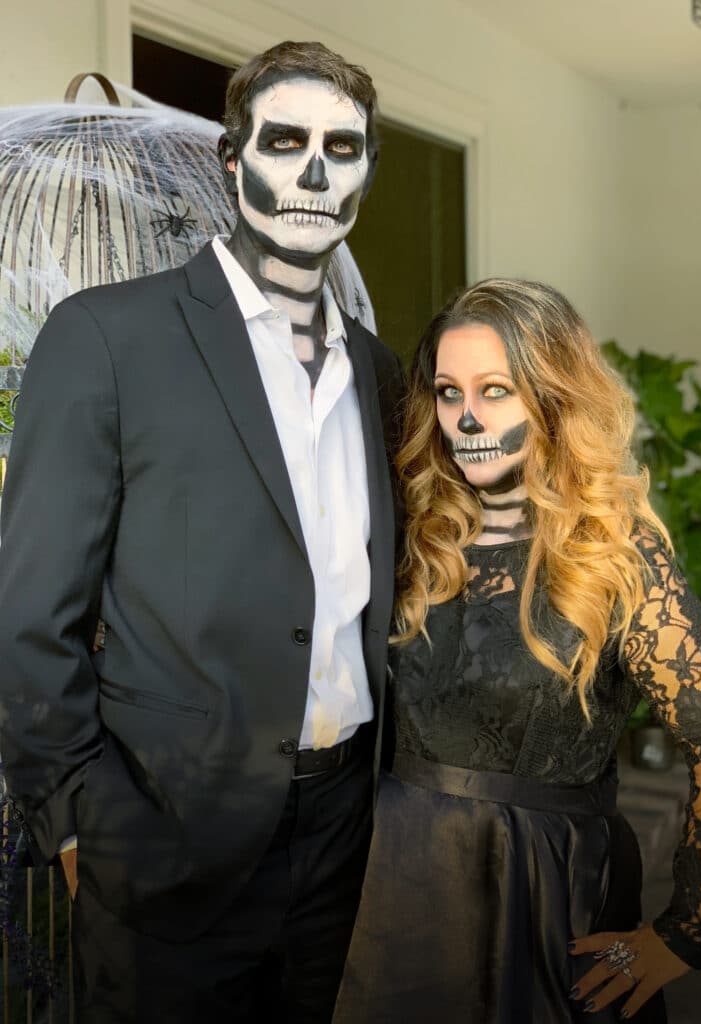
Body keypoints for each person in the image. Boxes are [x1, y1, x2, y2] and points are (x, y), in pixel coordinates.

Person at [0, 40, 404, 1024]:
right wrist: (74, 818)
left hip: (349, 829)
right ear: (234, 161)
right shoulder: (106, 337)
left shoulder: (382, 370)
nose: (314, 172)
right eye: (285, 141)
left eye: (342, 148)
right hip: (163, 832)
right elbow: (28, 613)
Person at [333, 278, 701, 1024]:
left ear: (553, 396)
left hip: (545, 891)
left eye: (496, 390)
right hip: (396, 884)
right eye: (447, 391)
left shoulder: (611, 551)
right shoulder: (415, 534)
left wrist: (684, 935)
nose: (466, 417)